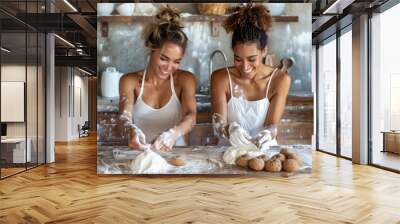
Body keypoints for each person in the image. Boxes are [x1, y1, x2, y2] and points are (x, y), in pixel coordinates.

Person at [211, 4, 291, 149]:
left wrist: (268, 133)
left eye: (252, 59)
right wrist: (229, 129)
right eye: (238, 59)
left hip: (264, 151)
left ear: (264, 51)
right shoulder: (220, 78)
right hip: (229, 150)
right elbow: (218, 125)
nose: (245, 67)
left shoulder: (280, 80)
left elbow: (272, 125)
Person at [119, 6, 196, 151]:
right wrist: (131, 130)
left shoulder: (185, 80)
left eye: (176, 61)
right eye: (164, 58)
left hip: (177, 155)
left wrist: (172, 135)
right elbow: (125, 115)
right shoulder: (129, 81)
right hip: (143, 153)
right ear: (151, 48)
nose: (169, 67)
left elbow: (191, 116)